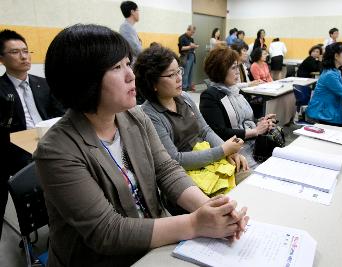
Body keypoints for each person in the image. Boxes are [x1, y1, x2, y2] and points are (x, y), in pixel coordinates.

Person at [34, 24, 248, 266]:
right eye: (117, 67)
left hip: (155, 245)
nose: (131, 75)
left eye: (128, 63)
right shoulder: (56, 151)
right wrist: (194, 223)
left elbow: (167, 170)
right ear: (85, 80)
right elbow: (107, 232)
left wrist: (208, 207)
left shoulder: (135, 118)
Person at [134, 45, 248, 173]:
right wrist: (223, 150)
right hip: (184, 174)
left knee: (245, 171)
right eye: (171, 75)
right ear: (152, 82)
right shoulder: (150, 115)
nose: (179, 78)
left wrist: (229, 152)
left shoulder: (184, 98)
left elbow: (205, 130)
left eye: (179, 71)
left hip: (207, 160)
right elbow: (176, 159)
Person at [0, 29, 64, 238]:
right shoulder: (1, 90)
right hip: (17, 150)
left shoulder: (43, 83)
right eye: (15, 52)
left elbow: (60, 114)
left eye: (26, 51)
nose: (24, 56)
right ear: (2, 59)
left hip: (49, 139)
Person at [200, 46, 276, 169]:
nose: (237, 72)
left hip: (253, 145)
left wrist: (261, 122)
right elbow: (219, 133)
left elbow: (245, 119)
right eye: (233, 68)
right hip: (235, 152)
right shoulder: (210, 96)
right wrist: (255, 131)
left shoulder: (236, 91)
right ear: (220, 70)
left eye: (237, 67)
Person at [178, 25, 199, 91]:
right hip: (186, 56)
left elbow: (193, 46)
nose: (192, 34)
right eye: (192, 32)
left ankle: (189, 86)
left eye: (194, 33)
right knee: (185, 73)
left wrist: (194, 46)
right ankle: (184, 88)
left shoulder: (191, 38)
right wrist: (191, 46)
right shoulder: (182, 37)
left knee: (190, 73)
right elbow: (181, 48)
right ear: (188, 30)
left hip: (192, 56)